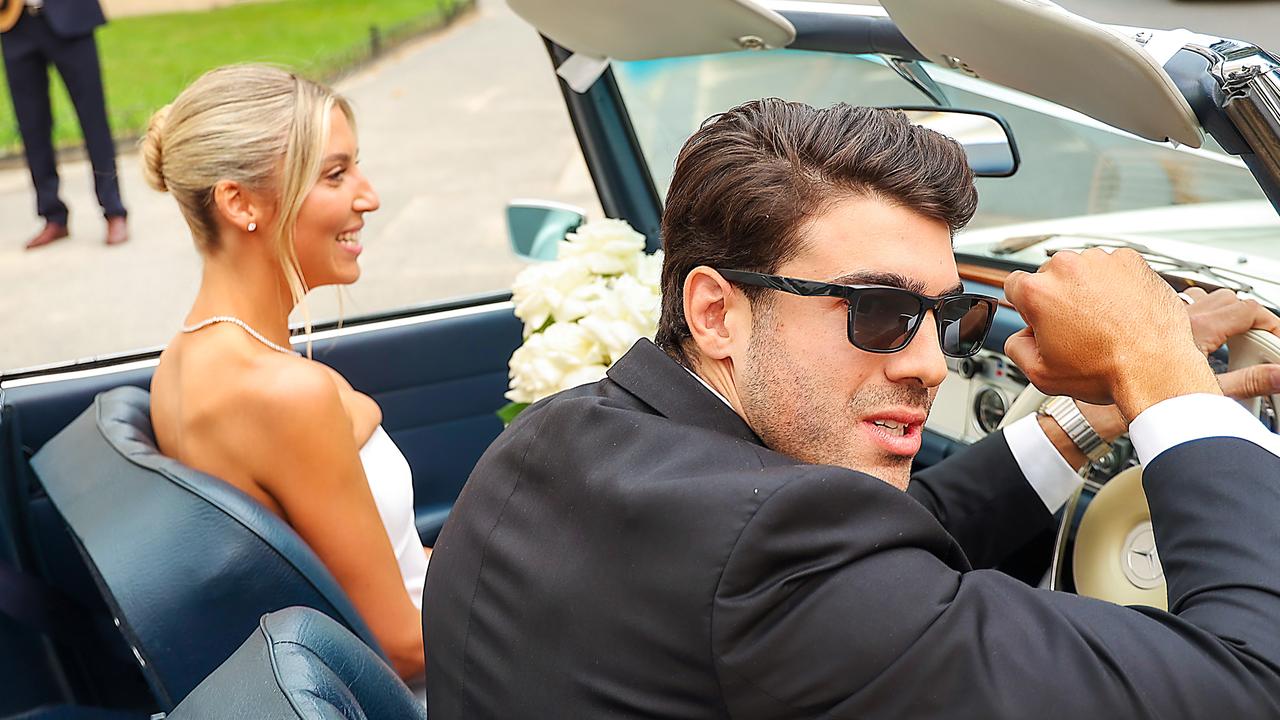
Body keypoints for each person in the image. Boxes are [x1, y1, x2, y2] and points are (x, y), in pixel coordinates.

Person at [423, 100, 1280, 717]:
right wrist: (1163, 370)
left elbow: (868, 549)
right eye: (879, 313)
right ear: (715, 311)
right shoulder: (774, 560)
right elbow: (1250, 681)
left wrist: (1094, 418)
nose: (929, 367)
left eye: (945, 318)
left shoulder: (563, 435)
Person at [143, 65, 427, 681]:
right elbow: (400, 643)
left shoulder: (182, 362)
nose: (368, 196)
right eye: (335, 174)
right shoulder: (280, 392)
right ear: (239, 202)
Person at [0, 0, 127, 249]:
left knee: (93, 120)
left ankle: (114, 210)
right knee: (31, 126)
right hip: (14, 23)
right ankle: (52, 214)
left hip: (70, 14)